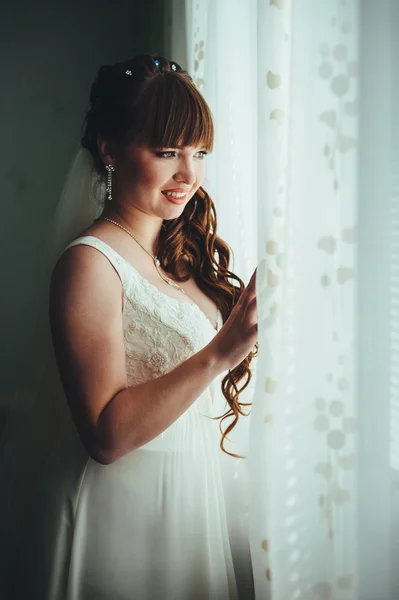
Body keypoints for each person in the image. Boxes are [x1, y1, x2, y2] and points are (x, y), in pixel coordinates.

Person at [9, 54, 258, 600]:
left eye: (200, 153)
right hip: (113, 509)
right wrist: (220, 353)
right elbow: (105, 434)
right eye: (167, 152)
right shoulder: (90, 263)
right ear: (109, 149)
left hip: (191, 498)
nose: (188, 174)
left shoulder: (183, 258)